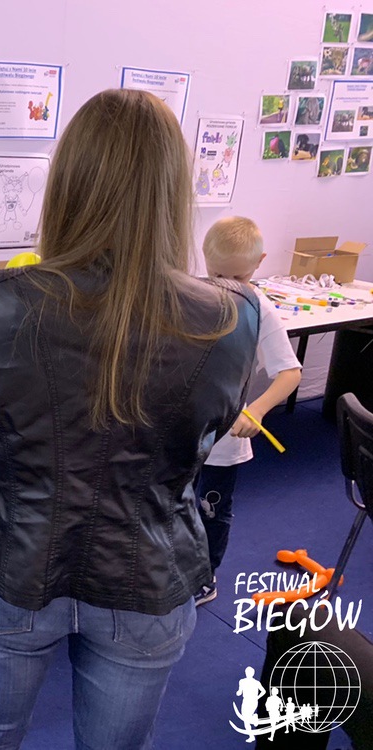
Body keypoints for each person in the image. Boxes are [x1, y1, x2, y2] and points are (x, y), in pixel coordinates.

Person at [0, 88, 260, 750]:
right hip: (147, 572)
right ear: (175, 192)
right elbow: (203, 438)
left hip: (14, 561)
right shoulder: (231, 315)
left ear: (66, 184)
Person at [194, 217, 302, 605]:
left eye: (238, 277)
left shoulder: (260, 310)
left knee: (211, 509)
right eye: (219, 275)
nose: (228, 285)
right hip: (185, 430)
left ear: (259, 263)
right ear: (205, 259)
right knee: (174, 504)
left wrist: (254, 411)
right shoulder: (195, 295)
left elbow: (290, 373)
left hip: (225, 437)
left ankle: (204, 578)